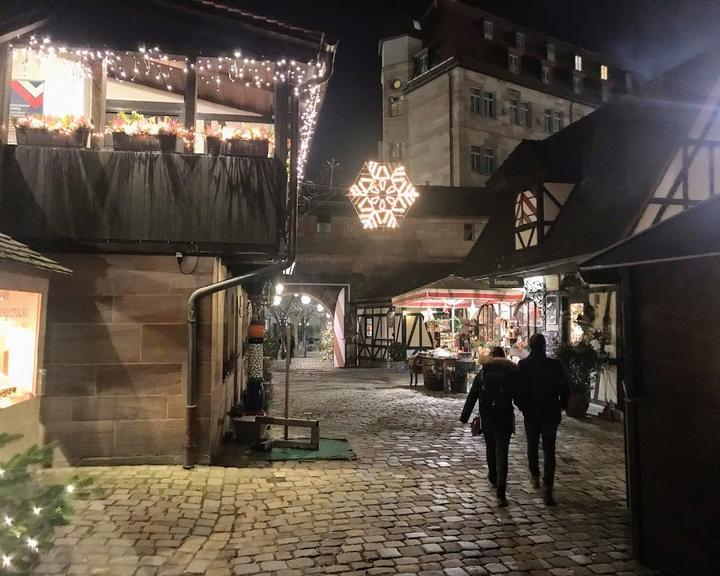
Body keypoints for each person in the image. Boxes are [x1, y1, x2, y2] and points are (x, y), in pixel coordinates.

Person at [516, 333, 570, 506]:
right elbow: (565, 388)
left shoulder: (523, 365)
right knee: (549, 450)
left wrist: (522, 406)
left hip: (531, 413)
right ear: (544, 346)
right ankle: (548, 487)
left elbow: (518, 392)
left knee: (532, 445)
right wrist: (561, 406)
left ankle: (535, 475)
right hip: (550, 412)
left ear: (530, 346)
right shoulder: (554, 365)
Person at [460, 346, 517, 507]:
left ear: (491, 357)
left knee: (490, 447)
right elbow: (518, 393)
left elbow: (473, 394)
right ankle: (501, 490)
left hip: (488, 416)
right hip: (504, 415)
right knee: (503, 452)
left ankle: (493, 476)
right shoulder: (510, 372)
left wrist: (465, 417)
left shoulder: (484, 372)